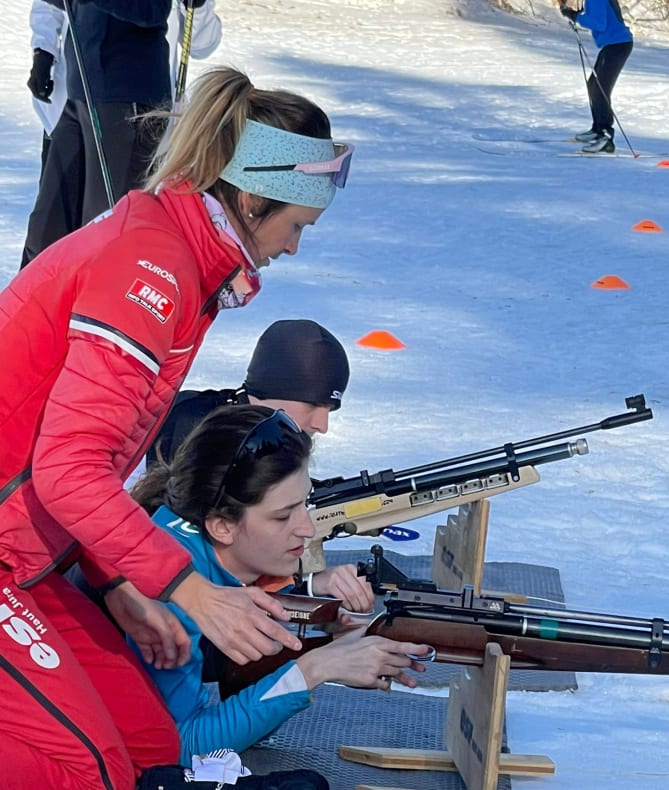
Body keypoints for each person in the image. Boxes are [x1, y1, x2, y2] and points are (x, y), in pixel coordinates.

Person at [0, 65, 352, 789]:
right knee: (87, 772)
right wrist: (188, 589)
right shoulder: (152, 272)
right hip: (9, 553)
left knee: (150, 748)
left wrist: (119, 585)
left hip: (29, 552)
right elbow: (68, 469)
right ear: (251, 198)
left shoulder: (177, 254)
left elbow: (78, 462)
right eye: (296, 226)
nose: (293, 247)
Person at [130, 404, 430, 764]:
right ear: (222, 526)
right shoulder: (172, 596)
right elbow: (179, 750)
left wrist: (327, 634)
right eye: (283, 516)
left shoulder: (189, 546)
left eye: (304, 503)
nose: (306, 528)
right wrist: (316, 668)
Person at [21, 0, 220, 268]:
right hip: (78, 94)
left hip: (129, 100)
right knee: (47, 231)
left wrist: (201, 6)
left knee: (103, 229)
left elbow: (179, 28)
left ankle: (100, 294)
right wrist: (43, 51)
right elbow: (50, 7)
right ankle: (31, 295)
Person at [147, 318, 351, 468]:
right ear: (272, 389)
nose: (322, 426)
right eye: (312, 404)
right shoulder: (194, 427)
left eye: (329, 409)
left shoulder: (279, 440)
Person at [560, 0, 633, 154]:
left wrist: (575, 16)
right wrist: (576, 15)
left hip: (617, 45)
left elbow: (599, 24)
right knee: (593, 85)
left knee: (600, 89)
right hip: (614, 44)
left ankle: (605, 136)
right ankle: (598, 129)